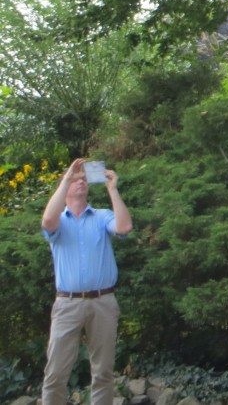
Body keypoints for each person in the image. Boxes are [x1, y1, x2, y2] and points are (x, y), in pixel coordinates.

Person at [41, 158, 133, 405]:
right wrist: (66, 178)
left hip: (104, 301)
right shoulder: (59, 221)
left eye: (84, 179)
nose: (80, 181)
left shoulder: (102, 216)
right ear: (66, 186)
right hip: (67, 304)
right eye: (75, 179)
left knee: (103, 372)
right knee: (56, 372)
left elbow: (124, 227)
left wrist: (113, 189)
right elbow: (47, 222)